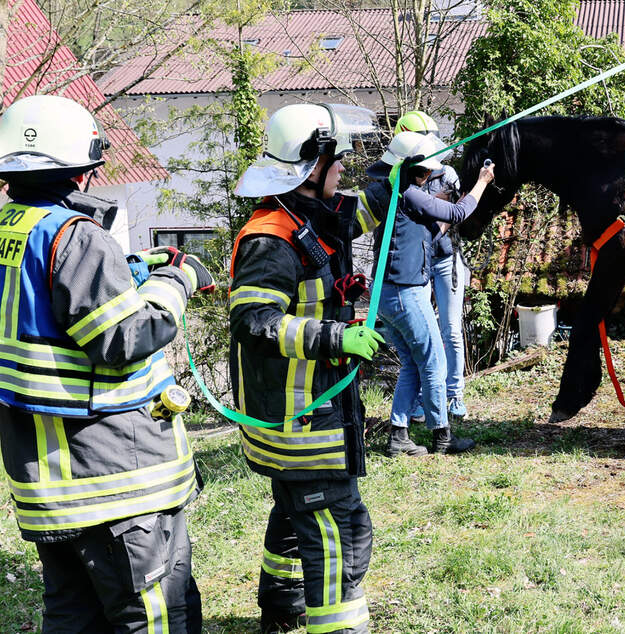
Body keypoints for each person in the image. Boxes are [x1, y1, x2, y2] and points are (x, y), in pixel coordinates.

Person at [0, 94, 212, 632]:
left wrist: (126, 269)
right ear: (82, 169)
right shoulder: (78, 237)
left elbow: (47, 302)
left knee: (74, 616)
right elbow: (123, 339)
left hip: (45, 480)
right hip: (115, 479)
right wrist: (175, 281)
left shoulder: (10, 229)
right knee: (154, 615)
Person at [230, 102, 384, 634]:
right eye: (335, 160)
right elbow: (254, 321)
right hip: (301, 422)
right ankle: (338, 625)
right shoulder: (271, 238)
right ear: (311, 165)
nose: (342, 168)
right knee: (340, 531)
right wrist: (335, 336)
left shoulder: (310, 215)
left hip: (300, 416)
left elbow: (354, 217)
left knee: (295, 515)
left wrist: (398, 171)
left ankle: (282, 606)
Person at [362, 131, 494, 457]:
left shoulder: (394, 195)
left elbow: (426, 235)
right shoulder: (410, 194)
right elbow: (458, 214)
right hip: (405, 293)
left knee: (411, 363)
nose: (427, 176)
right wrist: (481, 183)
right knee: (434, 361)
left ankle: (398, 435)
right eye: (424, 172)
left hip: (387, 294)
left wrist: (441, 207)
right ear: (412, 171)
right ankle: (442, 436)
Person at [393, 111, 470, 424]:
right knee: (423, 336)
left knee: (450, 328)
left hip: (445, 259)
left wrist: (437, 211)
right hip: (418, 265)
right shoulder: (399, 178)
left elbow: (452, 213)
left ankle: (455, 394)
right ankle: (423, 400)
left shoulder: (446, 172)